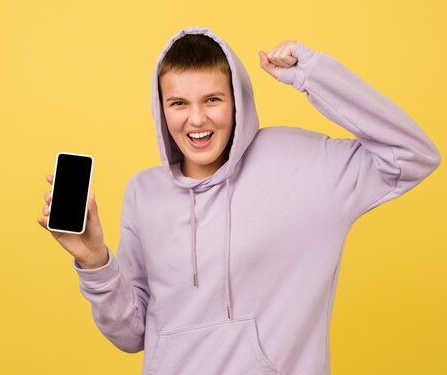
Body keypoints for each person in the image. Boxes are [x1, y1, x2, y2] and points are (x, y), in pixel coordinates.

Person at [37, 26, 441, 375]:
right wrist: (95, 263)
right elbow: (131, 335)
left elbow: (411, 155)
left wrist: (315, 76)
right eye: (179, 103)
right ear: (162, 110)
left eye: (212, 99)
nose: (196, 120)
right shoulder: (144, 193)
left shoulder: (301, 166)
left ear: (237, 100)